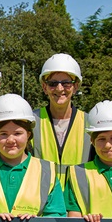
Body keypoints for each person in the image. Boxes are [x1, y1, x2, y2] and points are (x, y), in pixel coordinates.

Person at [0, 94, 65, 219]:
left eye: (17, 133)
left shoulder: (47, 172)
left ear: (28, 134)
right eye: (3, 134)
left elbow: (56, 217)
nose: (11, 140)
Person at [32, 53, 91, 187]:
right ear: (44, 87)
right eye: (53, 83)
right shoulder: (31, 122)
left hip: (77, 203)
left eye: (66, 83)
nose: (59, 89)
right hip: (43, 203)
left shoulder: (89, 123)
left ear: (75, 87)